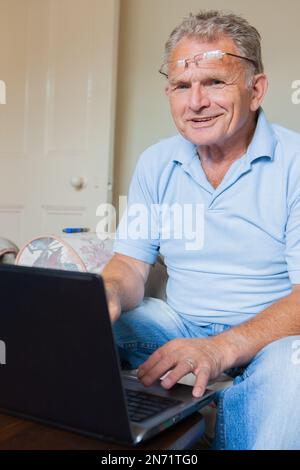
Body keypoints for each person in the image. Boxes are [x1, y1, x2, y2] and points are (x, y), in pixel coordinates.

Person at [102, 10, 300, 450]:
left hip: (271, 338)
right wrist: (108, 293)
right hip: (179, 324)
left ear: (256, 89)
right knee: (82, 328)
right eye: (181, 86)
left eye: (214, 82)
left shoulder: (295, 163)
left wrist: (221, 349)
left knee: (296, 370)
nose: (196, 103)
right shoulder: (156, 161)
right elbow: (130, 265)